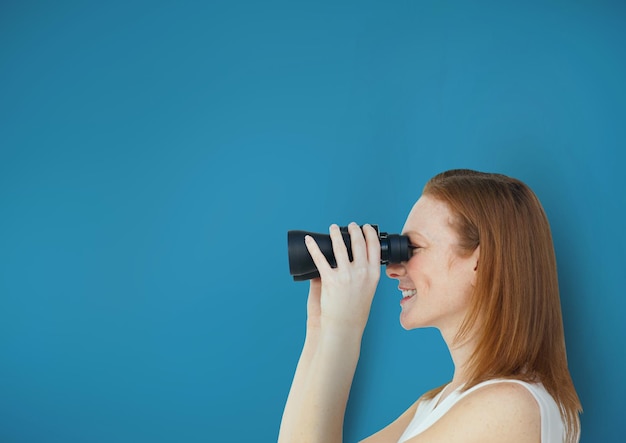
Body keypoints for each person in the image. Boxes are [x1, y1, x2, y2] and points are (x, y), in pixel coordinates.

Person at [277, 169, 582, 443]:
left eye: (414, 248)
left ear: (481, 263)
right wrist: (320, 327)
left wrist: (344, 329)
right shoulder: (437, 404)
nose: (393, 269)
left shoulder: (509, 406)